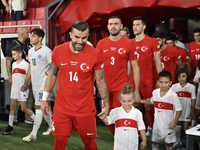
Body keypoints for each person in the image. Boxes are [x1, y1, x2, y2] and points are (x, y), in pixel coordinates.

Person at [41, 21, 109, 150]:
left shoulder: (95, 53)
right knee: (59, 141)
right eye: (77, 37)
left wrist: (105, 104)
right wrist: (45, 99)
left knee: (88, 141)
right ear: (70, 35)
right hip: (62, 106)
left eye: (84, 37)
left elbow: (100, 81)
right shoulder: (58, 50)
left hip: (85, 107)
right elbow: (52, 75)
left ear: (88, 35)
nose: (80, 41)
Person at [96, 16, 140, 135]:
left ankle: (127, 137)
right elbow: (95, 67)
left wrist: (136, 90)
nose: (113, 26)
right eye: (111, 24)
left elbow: (135, 67)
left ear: (121, 26)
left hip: (121, 87)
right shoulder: (101, 43)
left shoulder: (129, 43)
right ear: (108, 27)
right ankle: (119, 137)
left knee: (121, 116)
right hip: (104, 87)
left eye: (116, 24)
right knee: (107, 116)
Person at [131, 16, 162, 138]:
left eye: (138, 24)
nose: (135, 27)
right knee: (135, 104)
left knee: (148, 104)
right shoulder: (130, 42)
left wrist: (160, 79)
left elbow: (158, 61)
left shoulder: (152, 41)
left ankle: (150, 126)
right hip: (133, 79)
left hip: (148, 78)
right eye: (133, 25)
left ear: (144, 26)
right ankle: (138, 128)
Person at [21, 28, 54, 142]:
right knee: (45, 108)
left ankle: (33, 134)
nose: (31, 38)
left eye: (33, 36)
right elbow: (31, 67)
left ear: (40, 38)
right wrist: (26, 82)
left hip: (43, 84)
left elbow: (53, 69)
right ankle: (52, 126)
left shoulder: (47, 51)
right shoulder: (31, 51)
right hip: (35, 84)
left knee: (38, 107)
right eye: (30, 36)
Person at [137, 70, 182, 150]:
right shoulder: (155, 92)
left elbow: (179, 110)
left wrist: (175, 121)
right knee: (154, 142)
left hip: (168, 125)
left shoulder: (173, 95)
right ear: (157, 82)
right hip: (157, 124)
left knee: (168, 144)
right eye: (161, 82)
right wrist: (140, 101)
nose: (163, 84)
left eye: (166, 82)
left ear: (170, 83)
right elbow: (151, 101)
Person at [99, 83, 146, 150]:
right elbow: (108, 121)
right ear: (120, 100)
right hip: (118, 145)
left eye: (129, 101)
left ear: (133, 100)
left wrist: (144, 140)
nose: (126, 104)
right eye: (124, 101)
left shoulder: (137, 113)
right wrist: (103, 118)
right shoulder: (115, 111)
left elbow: (141, 128)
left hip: (132, 145)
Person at [1, 45, 35, 135]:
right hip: (14, 89)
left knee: (24, 108)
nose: (13, 56)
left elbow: (30, 77)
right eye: (12, 54)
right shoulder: (13, 64)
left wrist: (27, 85)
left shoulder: (26, 64)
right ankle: (10, 126)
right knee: (12, 108)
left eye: (14, 54)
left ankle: (37, 122)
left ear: (20, 54)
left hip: (22, 89)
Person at [5, 27, 34, 126]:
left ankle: (29, 118)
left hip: (28, 74)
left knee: (29, 98)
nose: (28, 34)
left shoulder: (29, 44)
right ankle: (14, 119)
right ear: (22, 34)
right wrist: (10, 77)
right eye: (27, 32)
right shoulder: (12, 46)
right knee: (15, 99)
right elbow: (8, 62)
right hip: (17, 76)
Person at [171, 68, 196, 143]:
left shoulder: (191, 87)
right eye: (179, 76)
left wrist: (193, 110)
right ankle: (177, 142)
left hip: (187, 110)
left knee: (186, 127)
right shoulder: (174, 87)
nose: (181, 79)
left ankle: (188, 143)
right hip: (177, 109)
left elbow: (193, 99)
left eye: (183, 76)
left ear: (187, 77)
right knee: (177, 126)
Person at [192, 59, 200, 127]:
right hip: (199, 95)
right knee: (197, 111)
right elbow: (195, 83)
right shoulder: (199, 72)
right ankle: (192, 128)